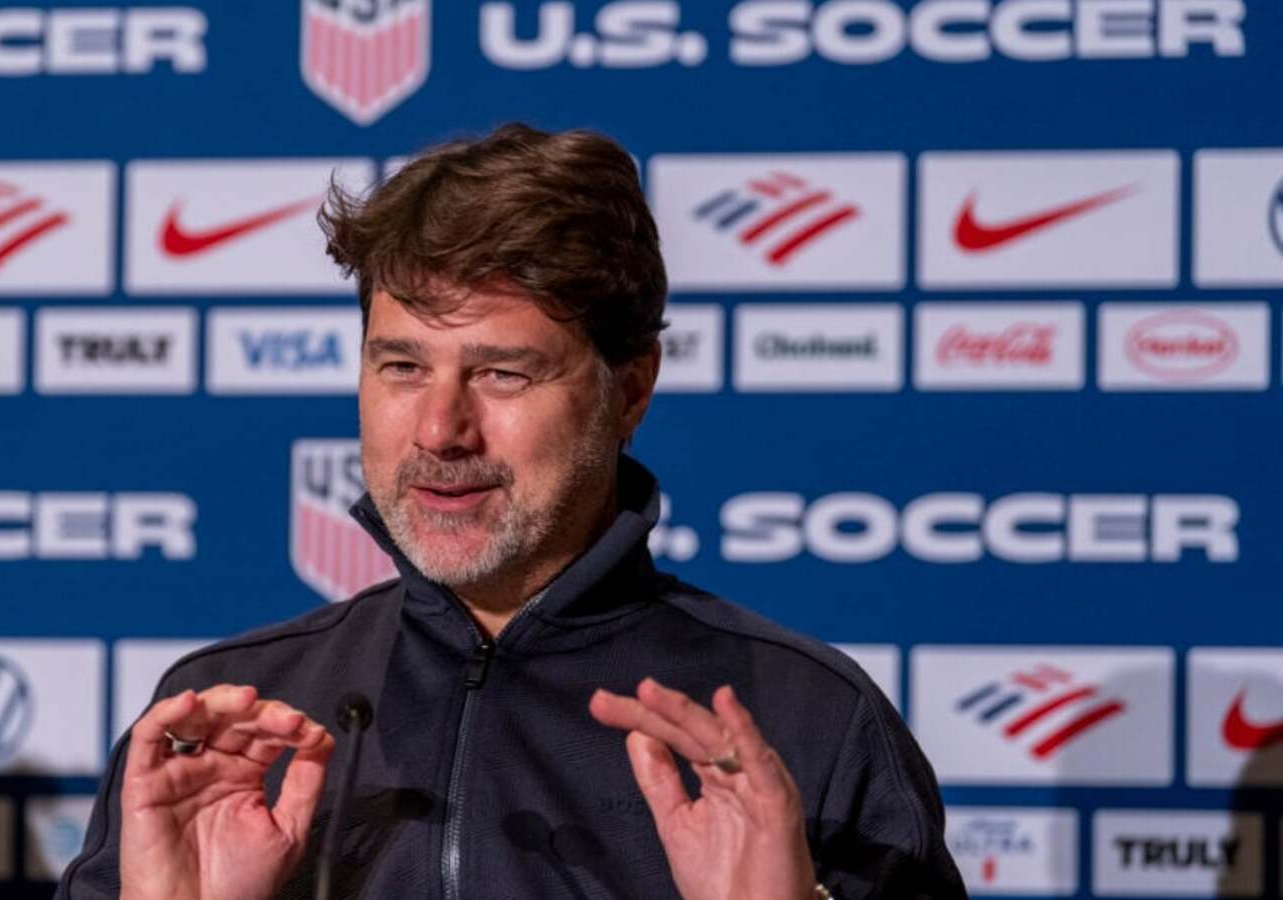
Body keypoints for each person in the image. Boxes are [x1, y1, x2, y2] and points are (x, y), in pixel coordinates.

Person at [55, 123, 967, 900]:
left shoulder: (808, 724)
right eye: (402, 367)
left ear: (631, 388)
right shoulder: (225, 725)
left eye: (501, 373)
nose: (440, 430)